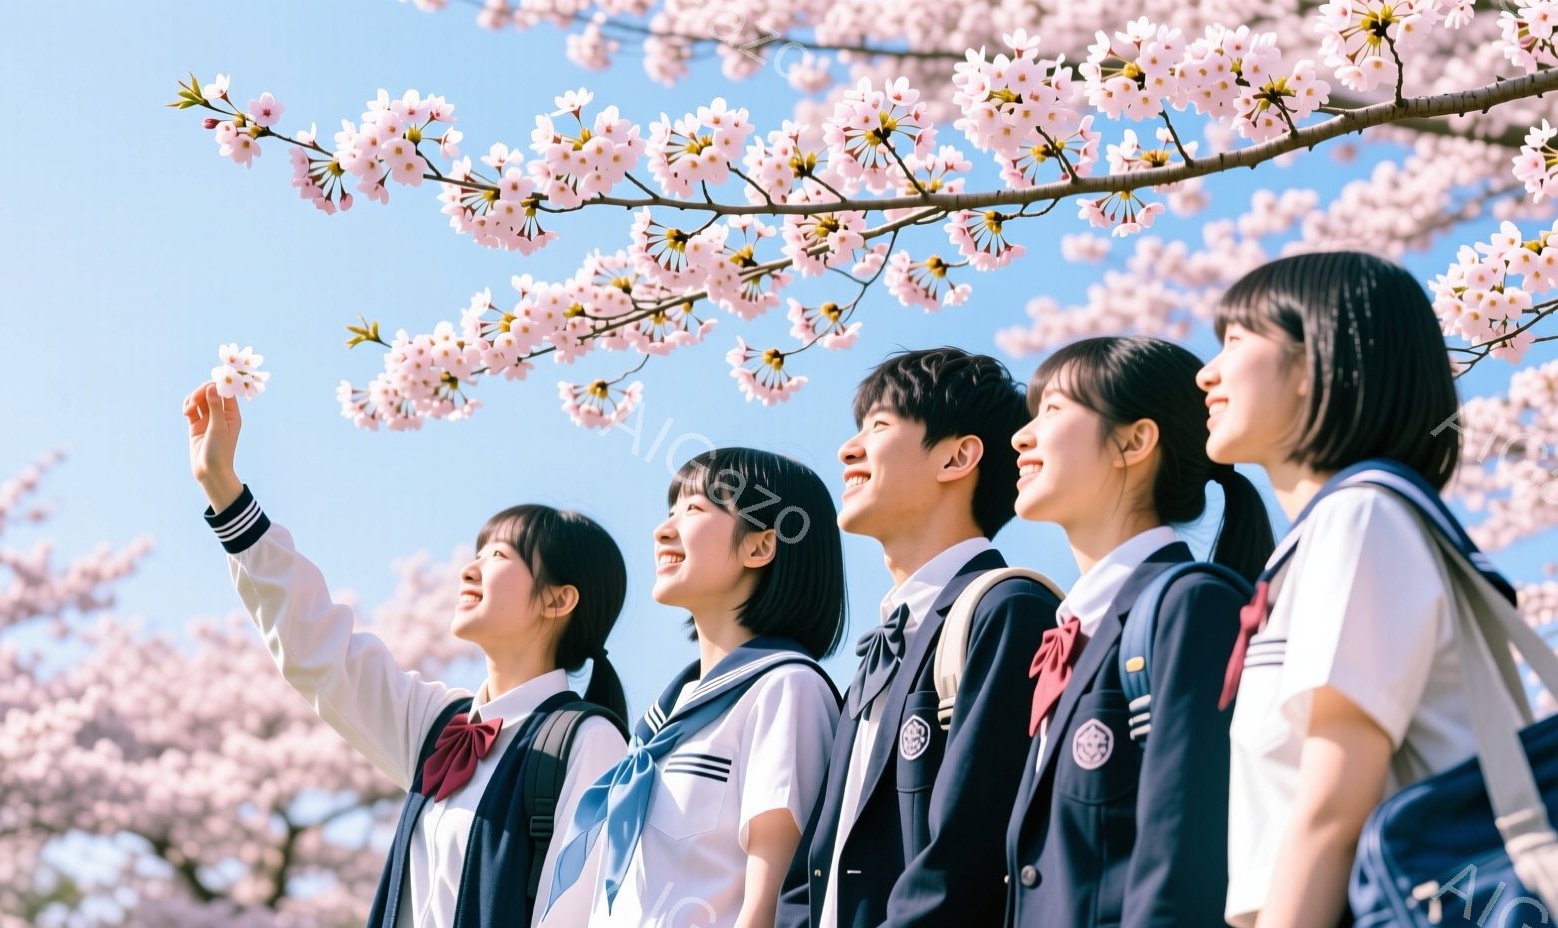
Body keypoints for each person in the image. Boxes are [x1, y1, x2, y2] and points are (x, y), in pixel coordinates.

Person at [184, 380, 628, 928]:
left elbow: (575, 913)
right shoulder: (438, 726)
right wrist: (223, 489)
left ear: (559, 599)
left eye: (499, 555)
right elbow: (319, 650)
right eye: (476, 553)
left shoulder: (589, 742)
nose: (470, 568)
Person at [1198, 251, 1520, 928]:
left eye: (1233, 341)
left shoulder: (1360, 517)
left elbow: (1330, 812)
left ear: (1317, 358)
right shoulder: (1336, 533)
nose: (1208, 373)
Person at [777, 347, 1062, 927]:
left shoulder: (1008, 611)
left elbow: (968, 854)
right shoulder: (883, 643)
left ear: (959, 457)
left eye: (878, 426)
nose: (848, 449)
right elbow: (818, 861)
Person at [1004, 335, 1273, 927]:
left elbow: (1185, 865)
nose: (1022, 437)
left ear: (1134, 441)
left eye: (1052, 411)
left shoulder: (1191, 607)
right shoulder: (1075, 629)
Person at [547, 447, 846, 928]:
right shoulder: (664, 720)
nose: (663, 530)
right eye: (670, 511)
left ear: (759, 546)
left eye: (694, 509)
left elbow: (770, 903)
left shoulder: (786, 689)